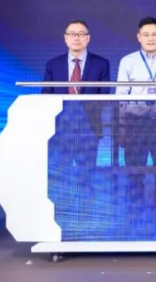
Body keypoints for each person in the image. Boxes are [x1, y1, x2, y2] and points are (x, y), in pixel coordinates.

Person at [115, 16, 156, 206]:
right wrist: (121, 129)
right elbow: (121, 97)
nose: (150, 38)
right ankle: (134, 212)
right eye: (146, 35)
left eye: (154, 34)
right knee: (134, 173)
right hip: (135, 123)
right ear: (139, 37)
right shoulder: (127, 61)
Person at [42, 19, 111, 202]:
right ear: (65, 38)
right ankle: (60, 206)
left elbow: (104, 95)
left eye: (81, 34)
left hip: (89, 128)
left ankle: (85, 208)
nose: (77, 38)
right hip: (60, 129)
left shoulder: (101, 64)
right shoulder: (53, 64)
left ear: (88, 38)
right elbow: (46, 94)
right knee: (60, 173)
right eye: (72, 34)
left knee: (86, 174)